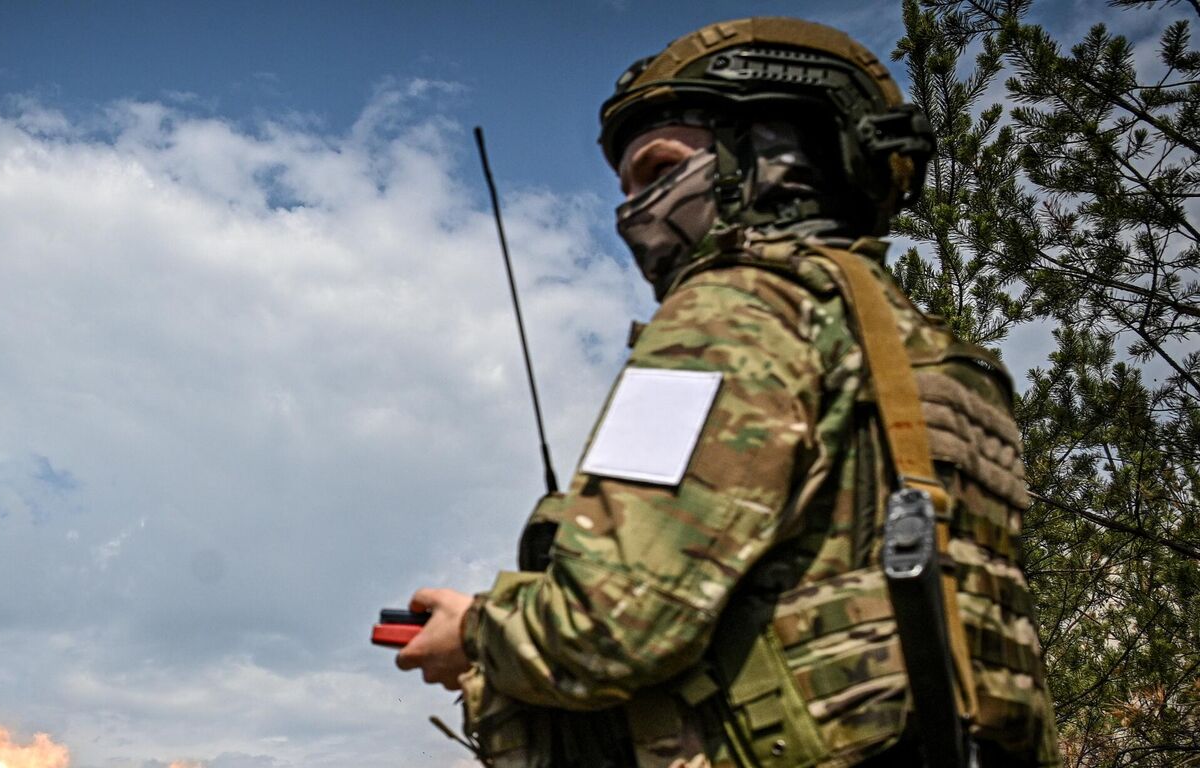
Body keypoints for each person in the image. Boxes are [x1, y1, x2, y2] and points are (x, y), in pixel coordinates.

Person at [395, 17, 1060, 767]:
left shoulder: (728, 313)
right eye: (627, 189)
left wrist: (474, 635)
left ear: (775, 152)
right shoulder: (924, 353)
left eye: (659, 169)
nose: (633, 212)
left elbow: (606, 625)